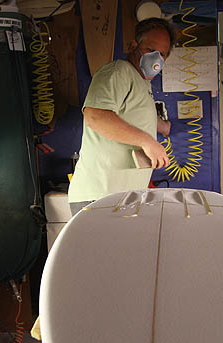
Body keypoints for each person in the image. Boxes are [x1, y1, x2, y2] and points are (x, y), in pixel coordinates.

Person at [67, 18, 175, 216]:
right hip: (101, 196)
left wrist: (161, 126)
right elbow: (95, 116)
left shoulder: (142, 83)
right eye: (150, 49)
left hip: (121, 197)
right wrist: (147, 141)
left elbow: (133, 116)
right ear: (133, 46)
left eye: (162, 54)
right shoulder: (118, 71)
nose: (156, 58)